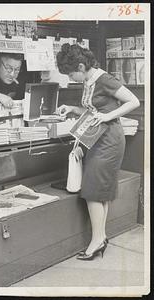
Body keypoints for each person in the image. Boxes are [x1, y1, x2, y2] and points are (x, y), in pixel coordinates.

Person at [56, 43, 140, 260]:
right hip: (96, 139)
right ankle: (100, 239)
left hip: (109, 140)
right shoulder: (88, 79)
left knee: (93, 192)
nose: (70, 77)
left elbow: (134, 101)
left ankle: (96, 241)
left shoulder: (104, 79)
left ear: (81, 66)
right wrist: (73, 109)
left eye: (70, 73)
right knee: (99, 192)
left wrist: (108, 116)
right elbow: (94, 110)